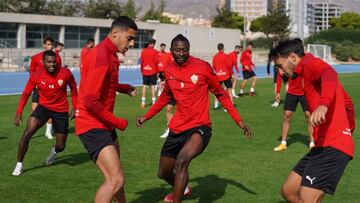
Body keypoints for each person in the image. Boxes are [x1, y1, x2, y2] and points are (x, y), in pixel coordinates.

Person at [136, 34, 252, 203]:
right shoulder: (169, 70)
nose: (181, 53)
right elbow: (165, 97)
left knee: (182, 161)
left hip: (200, 127)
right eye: (177, 50)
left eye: (185, 50)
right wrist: (147, 116)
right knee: (163, 173)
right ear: (171, 51)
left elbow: (221, 93)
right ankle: (184, 188)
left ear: (189, 50)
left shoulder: (202, 67)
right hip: (177, 128)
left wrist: (239, 121)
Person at [270, 38, 355, 202]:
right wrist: (348, 131)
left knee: (306, 198)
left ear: (293, 57)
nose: (280, 72)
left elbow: (330, 73)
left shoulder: (311, 65)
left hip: (333, 146)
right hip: (322, 145)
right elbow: (348, 104)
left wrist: (323, 105)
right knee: (288, 191)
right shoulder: (303, 73)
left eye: (280, 66)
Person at [75, 16, 137, 203]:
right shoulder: (101, 55)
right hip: (92, 124)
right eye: (130, 38)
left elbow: (101, 84)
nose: (132, 44)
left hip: (103, 124)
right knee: (116, 179)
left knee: (117, 177)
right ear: (115, 33)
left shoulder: (108, 54)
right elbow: (90, 100)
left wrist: (123, 87)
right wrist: (117, 122)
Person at [12, 50, 77, 176]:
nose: (52, 64)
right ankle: (19, 164)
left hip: (61, 111)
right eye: (49, 62)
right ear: (43, 62)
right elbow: (26, 94)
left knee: (61, 145)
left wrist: (76, 107)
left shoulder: (65, 73)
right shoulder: (36, 75)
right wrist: (19, 112)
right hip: (43, 108)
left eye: (54, 62)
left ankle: (54, 151)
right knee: (27, 133)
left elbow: (74, 88)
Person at [273, 68, 314, 151]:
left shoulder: (304, 62)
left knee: (308, 116)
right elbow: (280, 74)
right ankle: (283, 143)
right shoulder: (288, 62)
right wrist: (277, 91)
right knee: (286, 116)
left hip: (305, 93)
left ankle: (312, 143)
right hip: (291, 93)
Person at [29, 36, 62, 139]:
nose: (50, 46)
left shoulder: (57, 57)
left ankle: (48, 131)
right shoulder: (36, 57)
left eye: (52, 44)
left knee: (50, 108)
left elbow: (59, 72)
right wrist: (34, 83)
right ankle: (31, 129)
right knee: (34, 109)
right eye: (48, 44)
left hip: (51, 88)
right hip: (38, 88)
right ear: (44, 45)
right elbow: (32, 71)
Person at [212, 43, 233, 109]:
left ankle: (216, 104)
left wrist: (218, 71)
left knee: (217, 91)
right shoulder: (226, 56)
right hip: (226, 75)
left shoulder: (215, 56)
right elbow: (229, 66)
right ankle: (230, 105)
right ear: (223, 48)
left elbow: (214, 67)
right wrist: (231, 73)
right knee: (229, 90)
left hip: (218, 76)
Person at [140, 39, 159, 108]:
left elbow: (141, 62)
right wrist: (157, 72)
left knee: (144, 86)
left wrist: (142, 70)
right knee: (153, 86)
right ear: (153, 44)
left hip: (145, 70)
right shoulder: (155, 52)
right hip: (153, 71)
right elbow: (156, 62)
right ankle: (154, 102)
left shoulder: (143, 51)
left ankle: (143, 102)